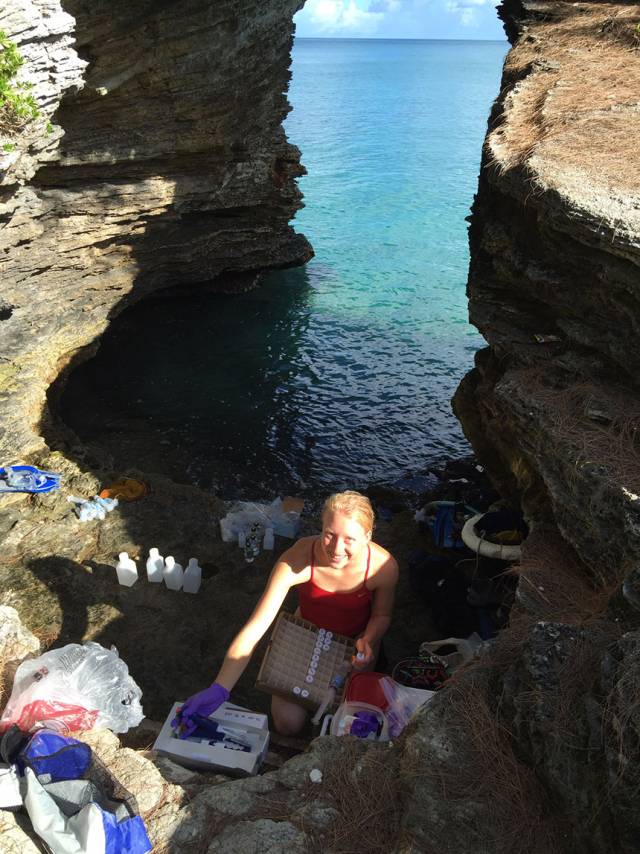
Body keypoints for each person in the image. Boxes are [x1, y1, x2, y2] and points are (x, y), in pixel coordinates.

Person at [175, 490, 399, 736]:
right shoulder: (298, 559)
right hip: (307, 631)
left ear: (367, 536)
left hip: (357, 640)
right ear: (321, 528)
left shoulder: (382, 567)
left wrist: (369, 639)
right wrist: (220, 688)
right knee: (287, 723)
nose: (336, 549)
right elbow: (255, 629)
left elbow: (382, 616)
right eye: (329, 535)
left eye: (349, 539)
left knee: (348, 728)